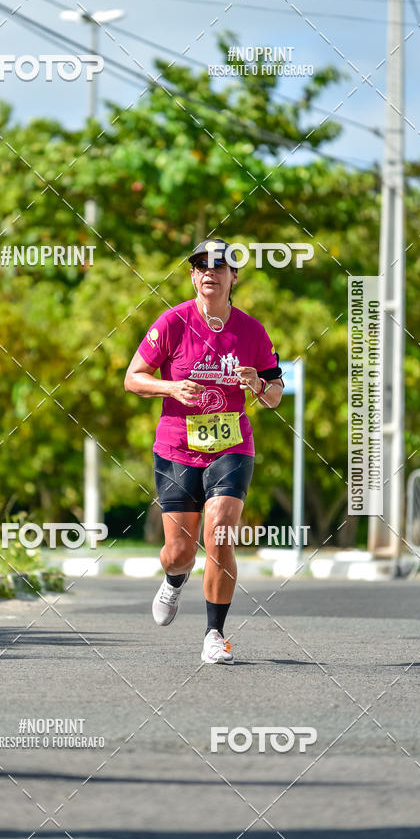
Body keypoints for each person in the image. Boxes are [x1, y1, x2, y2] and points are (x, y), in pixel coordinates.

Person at [124, 238, 284, 665]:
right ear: (193, 275)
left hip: (231, 445)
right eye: (201, 266)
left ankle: (215, 633)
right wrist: (171, 386)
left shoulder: (252, 331)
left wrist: (259, 386)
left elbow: (275, 395)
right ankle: (174, 580)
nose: (209, 271)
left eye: (220, 266)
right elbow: (133, 378)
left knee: (220, 533)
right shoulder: (173, 322)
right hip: (177, 446)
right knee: (179, 551)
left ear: (235, 277)